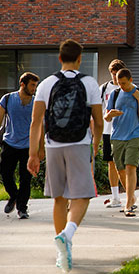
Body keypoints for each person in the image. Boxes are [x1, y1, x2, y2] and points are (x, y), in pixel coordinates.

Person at [27, 39, 103, 272]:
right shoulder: (89, 83)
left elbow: (36, 122)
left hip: (53, 145)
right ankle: (68, 235)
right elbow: (98, 122)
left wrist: (33, 154)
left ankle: (62, 252)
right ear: (80, 59)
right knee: (83, 195)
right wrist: (96, 144)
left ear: (59, 58)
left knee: (59, 198)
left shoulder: (46, 84)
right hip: (79, 144)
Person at [104, 68, 139, 217]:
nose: (121, 86)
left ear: (130, 80)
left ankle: (128, 204)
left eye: (123, 83)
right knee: (120, 169)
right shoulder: (115, 94)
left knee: (131, 167)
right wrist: (110, 114)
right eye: (119, 83)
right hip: (117, 136)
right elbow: (107, 117)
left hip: (135, 135)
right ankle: (132, 196)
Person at [0, 72, 40, 219]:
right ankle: (14, 196)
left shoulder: (37, 102)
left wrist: (40, 148)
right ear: (22, 84)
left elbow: (41, 126)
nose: (34, 88)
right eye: (32, 85)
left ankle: (22, 208)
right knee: (5, 173)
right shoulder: (8, 99)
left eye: (35, 86)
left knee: (26, 179)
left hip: (28, 146)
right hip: (9, 143)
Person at [100, 59, 127, 208]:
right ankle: (115, 197)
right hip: (107, 131)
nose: (115, 77)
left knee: (124, 165)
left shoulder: (130, 88)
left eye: (117, 73)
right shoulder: (104, 89)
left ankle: (129, 194)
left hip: (125, 131)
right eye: (113, 73)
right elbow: (97, 110)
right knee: (111, 163)